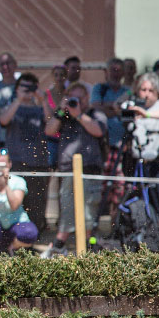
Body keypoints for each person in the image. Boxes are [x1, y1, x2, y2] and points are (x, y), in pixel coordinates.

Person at [121, 71, 159, 251]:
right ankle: (150, 244)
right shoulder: (134, 106)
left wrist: (147, 115)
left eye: (150, 90)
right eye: (143, 90)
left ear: (157, 92)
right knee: (142, 207)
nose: (146, 94)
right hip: (140, 165)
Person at [44, 84, 107, 256]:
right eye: (73, 98)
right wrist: (60, 110)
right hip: (67, 171)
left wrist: (79, 115)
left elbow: (99, 131)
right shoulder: (64, 115)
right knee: (67, 209)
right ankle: (60, 244)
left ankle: (87, 247)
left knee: (88, 211)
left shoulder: (95, 114)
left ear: (87, 98)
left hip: (89, 170)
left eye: (80, 98)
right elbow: (49, 130)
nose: (76, 102)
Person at [0, 73, 50, 232]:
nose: (28, 91)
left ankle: (32, 240)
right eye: (24, 87)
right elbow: (4, 120)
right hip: (16, 162)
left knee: (36, 205)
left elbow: (52, 123)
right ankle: (11, 240)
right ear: (16, 89)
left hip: (38, 163)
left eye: (31, 87)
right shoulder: (11, 106)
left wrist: (43, 101)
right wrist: (19, 99)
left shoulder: (41, 108)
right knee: (13, 203)